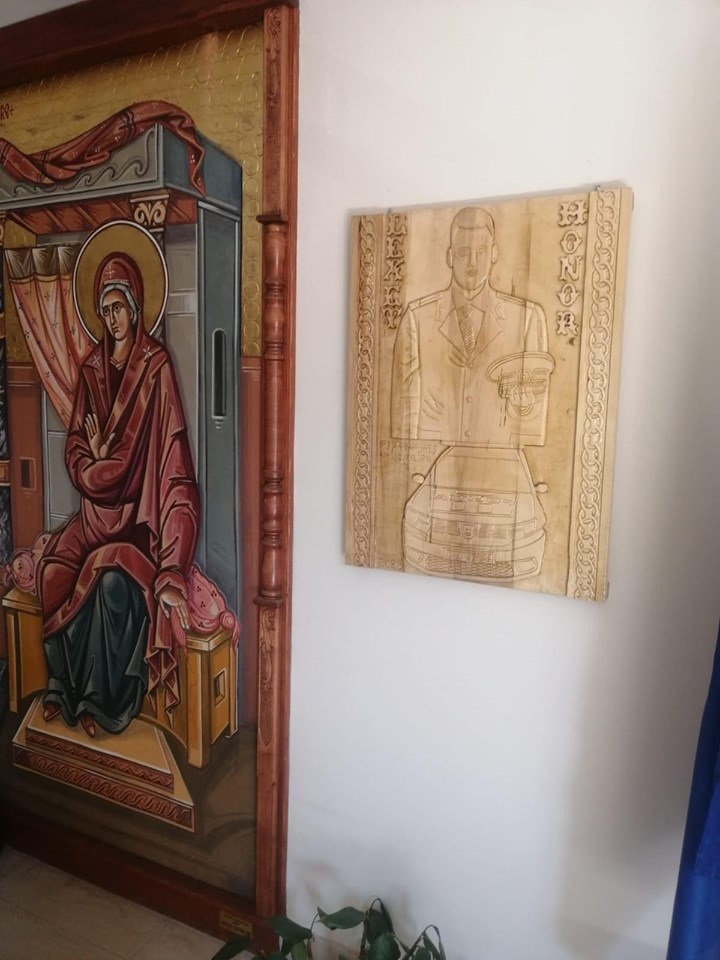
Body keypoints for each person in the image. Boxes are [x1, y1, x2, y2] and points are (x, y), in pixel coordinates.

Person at [37, 252, 199, 738]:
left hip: (137, 525)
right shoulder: (91, 369)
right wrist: (94, 462)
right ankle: (61, 688)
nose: (112, 318)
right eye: (105, 310)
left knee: (109, 586)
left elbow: (173, 468)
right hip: (94, 518)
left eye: (119, 307)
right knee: (54, 570)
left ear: (135, 307)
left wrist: (173, 564)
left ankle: (98, 702)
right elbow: (75, 446)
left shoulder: (156, 368)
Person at [391, 206, 552, 446]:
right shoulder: (417, 317)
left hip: (500, 457)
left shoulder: (527, 317)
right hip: (435, 456)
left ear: (494, 253)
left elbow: (534, 416)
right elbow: (404, 408)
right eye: (463, 252)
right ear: (450, 256)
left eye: (482, 251)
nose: (473, 263)